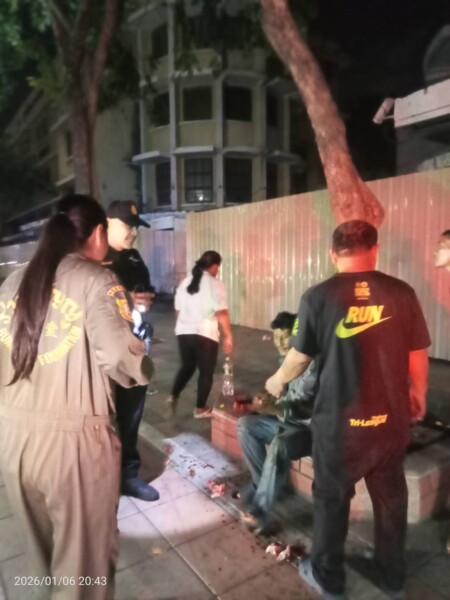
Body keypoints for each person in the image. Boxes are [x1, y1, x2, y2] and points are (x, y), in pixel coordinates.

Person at [266, 220, 430, 600]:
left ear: (332, 254)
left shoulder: (318, 297)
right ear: (375, 250)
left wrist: (276, 380)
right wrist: (418, 392)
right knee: (391, 500)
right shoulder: (402, 293)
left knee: (332, 501)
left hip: (340, 430)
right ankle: (392, 579)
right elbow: (417, 351)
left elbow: (299, 358)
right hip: (389, 425)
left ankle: (328, 578)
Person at [0, 194, 153, 600]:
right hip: (73, 450)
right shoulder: (98, 280)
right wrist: (143, 357)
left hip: (13, 439)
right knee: (83, 576)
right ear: (98, 232)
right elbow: (123, 361)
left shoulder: (13, 283)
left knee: (43, 563)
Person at [236, 311, 316, 535]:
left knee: (280, 445)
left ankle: (259, 512)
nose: (279, 342)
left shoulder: (311, 366)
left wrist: (271, 408)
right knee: (245, 425)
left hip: (308, 431)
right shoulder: (285, 362)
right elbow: (282, 397)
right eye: (276, 337)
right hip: (287, 423)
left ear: (297, 338)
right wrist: (263, 401)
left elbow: (301, 408)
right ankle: (262, 485)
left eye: (285, 336)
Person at [103, 199, 159, 502]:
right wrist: (127, 300)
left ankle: (128, 476)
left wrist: (146, 299)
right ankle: (102, 479)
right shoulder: (94, 258)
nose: (134, 233)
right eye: (128, 226)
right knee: (102, 419)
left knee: (131, 416)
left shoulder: (134, 257)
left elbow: (145, 289)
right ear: (108, 223)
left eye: (136, 227)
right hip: (104, 355)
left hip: (134, 347)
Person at [167, 250, 233, 418]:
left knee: (187, 366)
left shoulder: (185, 282)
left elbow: (178, 311)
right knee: (206, 371)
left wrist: (186, 326)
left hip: (183, 331)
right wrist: (228, 335)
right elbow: (222, 312)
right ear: (215, 266)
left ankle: (173, 395)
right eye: (218, 267)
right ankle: (200, 409)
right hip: (205, 333)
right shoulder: (215, 284)